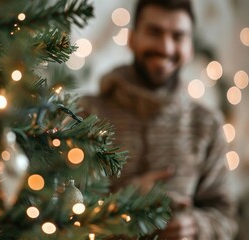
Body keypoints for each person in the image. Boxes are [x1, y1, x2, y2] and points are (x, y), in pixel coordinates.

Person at [78, 0, 238, 239]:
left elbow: (226, 219)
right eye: (154, 32)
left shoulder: (207, 125)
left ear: (190, 47)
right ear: (131, 39)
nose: (165, 46)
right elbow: (58, 206)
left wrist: (195, 226)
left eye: (178, 36)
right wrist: (126, 201)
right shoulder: (86, 113)